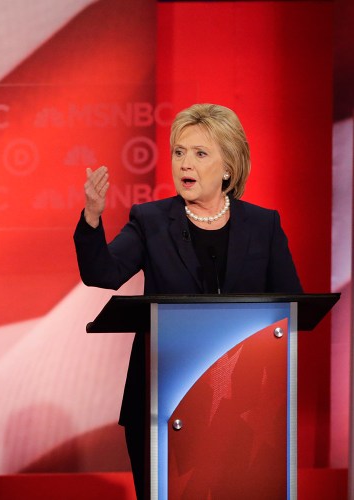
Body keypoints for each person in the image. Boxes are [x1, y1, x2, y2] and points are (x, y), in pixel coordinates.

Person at [73, 103, 302, 499]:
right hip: (162, 402)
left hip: (244, 405)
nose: (185, 164)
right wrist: (92, 218)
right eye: (179, 152)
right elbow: (103, 274)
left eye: (200, 153)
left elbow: (293, 305)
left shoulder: (263, 225)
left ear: (228, 166)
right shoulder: (151, 220)